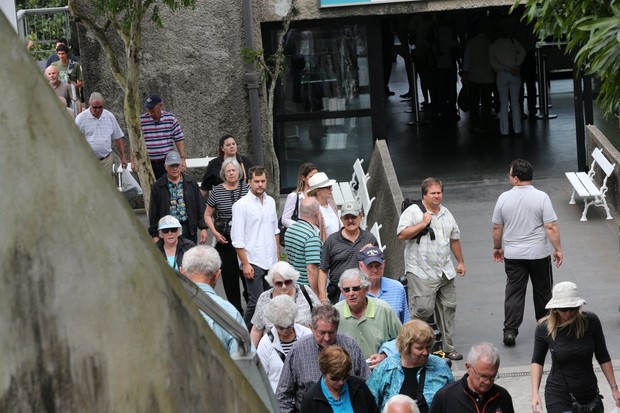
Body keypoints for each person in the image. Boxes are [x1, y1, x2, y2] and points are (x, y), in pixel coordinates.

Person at [492, 159, 563, 347]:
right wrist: (557, 249)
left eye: (509, 174)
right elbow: (551, 226)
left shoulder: (503, 198)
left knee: (514, 292)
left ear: (516, 178)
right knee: (543, 291)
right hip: (539, 254)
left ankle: (510, 331)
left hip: (514, 255)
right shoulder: (542, 197)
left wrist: (497, 247)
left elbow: (497, 227)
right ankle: (546, 327)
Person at [397, 177, 466, 361]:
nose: (437, 196)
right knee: (423, 309)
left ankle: (448, 347)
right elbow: (402, 234)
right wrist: (423, 223)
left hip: (444, 271)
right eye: (433, 193)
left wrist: (460, 261)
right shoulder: (413, 212)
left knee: (448, 307)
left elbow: (454, 238)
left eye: (439, 192)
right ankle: (412, 346)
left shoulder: (446, 213)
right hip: (421, 271)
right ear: (424, 195)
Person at [531, 282, 620, 413]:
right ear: (555, 308)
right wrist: (534, 394)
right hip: (559, 395)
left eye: (573, 308)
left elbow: (603, 356)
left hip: (589, 393)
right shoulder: (544, 328)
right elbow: (537, 361)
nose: (569, 313)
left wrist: (614, 388)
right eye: (564, 309)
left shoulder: (590, 321)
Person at [276, 305, 371, 413]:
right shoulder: (298, 351)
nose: (326, 338)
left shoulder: (350, 346)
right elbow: (282, 396)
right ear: (311, 327)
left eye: (331, 332)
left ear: (337, 328)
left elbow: (367, 383)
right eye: (321, 333)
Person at [368, 320, 454, 413]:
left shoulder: (440, 366)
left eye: (428, 347)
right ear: (406, 346)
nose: (425, 352)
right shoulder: (385, 369)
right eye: (419, 348)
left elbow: (452, 398)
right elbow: (370, 403)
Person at [231, 165, 280, 329]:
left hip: (271, 259)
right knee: (257, 300)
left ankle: (268, 334)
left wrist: (278, 260)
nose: (260, 184)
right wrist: (245, 263)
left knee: (272, 299)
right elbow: (237, 238)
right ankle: (244, 333)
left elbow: (275, 231)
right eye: (256, 181)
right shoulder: (241, 205)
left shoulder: (271, 202)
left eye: (263, 181)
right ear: (249, 182)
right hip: (253, 259)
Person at [180, 245, 246, 354]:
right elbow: (244, 364)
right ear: (217, 275)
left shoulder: (164, 306)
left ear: (182, 272)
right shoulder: (230, 313)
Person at [204, 158, 249, 314]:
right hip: (225, 239)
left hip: (245, 239)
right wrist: (215, 233)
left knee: (248, 274)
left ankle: (251, 308)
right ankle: (236, 311)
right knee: (230, 278)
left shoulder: (248, 189)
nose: (231, 173)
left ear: (239, 172)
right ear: (223, 173)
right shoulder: (216, 191)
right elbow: (208, 215)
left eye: (234, 170)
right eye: (228, 170)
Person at [335, 269, 402, 362]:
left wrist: (384, 355)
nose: (351, 294)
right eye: (346, 290)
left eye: (356, 288)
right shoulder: (335, 313)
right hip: (348, 372)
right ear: (342, 293)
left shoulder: (383, 309)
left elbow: (402, 339)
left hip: (381, 368)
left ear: (366, 289)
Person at [250, 261, 321, 347]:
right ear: (272, 282)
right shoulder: (264, 298)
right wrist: (252, 353)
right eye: (279, 283)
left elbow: (321, 317)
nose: (284, 286)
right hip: (274, 351)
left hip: (307, 346)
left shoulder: (305, 292)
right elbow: (257, 330)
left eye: (287, 282)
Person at [319, 200, 377, 304]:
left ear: (361, 217)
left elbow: (378, 266)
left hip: (364, 292)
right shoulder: (332, 241)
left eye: (353, 217)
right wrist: (322, 298)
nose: (350, 220)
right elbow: (323, 270)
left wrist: (371, 250)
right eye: (347, 217)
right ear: (341, 219)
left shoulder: (369, 238)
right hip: (338, 294)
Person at [429, 342, 515, 413]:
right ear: (468, 368)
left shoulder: (503, 396)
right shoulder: (445, 397)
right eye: (483, 376)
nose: (488, 382)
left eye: (493, 376)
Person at [148, 151, 207, 245]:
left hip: (188, 227)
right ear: (165, 167)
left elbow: (200, 206)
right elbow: (153, 212)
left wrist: (203, 228)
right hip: (167, 229)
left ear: (181, 166)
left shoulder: (191, 183)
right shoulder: (158, 186)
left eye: (177, 165)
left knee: (189, 257)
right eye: (171, 166)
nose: (175, 168)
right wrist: (154, 235)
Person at [257, 294, 312, 393]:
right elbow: (260, 377)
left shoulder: (307, 335)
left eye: (289, 326)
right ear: (273, 323)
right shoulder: (265, 343)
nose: (285, 331)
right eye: (280, 327)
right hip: (278, 399)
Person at [300, 345, 378, 413]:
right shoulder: (311, 399)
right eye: (335, 378)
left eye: (345, 376)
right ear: (324, 372)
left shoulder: (360, 386)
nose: (341, 382)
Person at [75, 92, 127, 175]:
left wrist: (123, 156)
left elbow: (118, 137)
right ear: (89, 104)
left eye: (100, 107)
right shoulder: (81, 118)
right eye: (95, 107)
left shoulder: (109, 116)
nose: (98, 110)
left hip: (106, 160)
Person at [489, 24, 526, 136]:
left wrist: (505, 68)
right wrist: (516, 64)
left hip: (502, 74)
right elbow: (523, 52)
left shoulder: (492, 46)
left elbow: (493, 63)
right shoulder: (512, 41)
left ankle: (504, 130)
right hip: (515, 73)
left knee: (503, 103)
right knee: (515, 103)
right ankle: (517, 129)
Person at [357, 245, 410, 324]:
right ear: (361, 266)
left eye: (378, 265)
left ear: (384, 264)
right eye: (370, 266)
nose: (374, 270)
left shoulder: (397, 288)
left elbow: (406, 322)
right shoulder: (351, 290)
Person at [140, 94, 187, 179]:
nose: (150, 113)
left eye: (153, 109)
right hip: (148, 163)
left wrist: (182, 159)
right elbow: (135, 142)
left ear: (160, 106)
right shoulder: (141, 121)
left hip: (167, 163)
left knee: (168, 188)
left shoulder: (171, 119)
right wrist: (133, 161)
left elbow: (179, 139)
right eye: (148, 109)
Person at [462, 18, 495, 135]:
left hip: (474, 76)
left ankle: (474, 124)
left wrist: (465, 73)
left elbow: (466, 60)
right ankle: (485, 125)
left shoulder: (471, 42)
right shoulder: (490, 42)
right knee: (487, 102)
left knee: (474, 101)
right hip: (488, 76)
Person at [284, 196, 323, 293]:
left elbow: (289, 258)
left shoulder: (290, 230)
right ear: (317, 213)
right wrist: (316, 294)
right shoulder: (311, 236)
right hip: (306, 288)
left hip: (293, 284)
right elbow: (311, 268)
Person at [200, 134, 253, 198]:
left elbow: (253, 181)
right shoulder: (214, 164)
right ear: (222, 148)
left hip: (243, 199)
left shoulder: (244, 161)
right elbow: (205, 187)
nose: (232, 146)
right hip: (222, 199)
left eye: (233, 144)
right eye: (228, 145)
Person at [281, 163, 317, 228]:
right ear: (303, 178)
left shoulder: (318, 195)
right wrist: (301, 227)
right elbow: (285, 219)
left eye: (316, 176)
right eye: (311, 177)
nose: (314, 179)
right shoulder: (294, 196)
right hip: (302, 233)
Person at [306, 172, 340, 241]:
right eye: (328, 187)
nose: (331, 190)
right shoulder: (312, 210)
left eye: (331, 186)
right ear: (317, 191)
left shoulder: (332, 203)